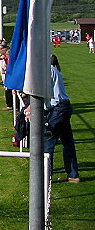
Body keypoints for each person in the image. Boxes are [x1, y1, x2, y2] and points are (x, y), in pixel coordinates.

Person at [41, 54, 80, 183]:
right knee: (67, 142)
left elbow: (41, 91)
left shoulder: (47, 71)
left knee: (48, 141)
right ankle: (73, 175)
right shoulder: (53, 69)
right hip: (63, 107)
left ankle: (45, 177)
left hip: (58, 109)